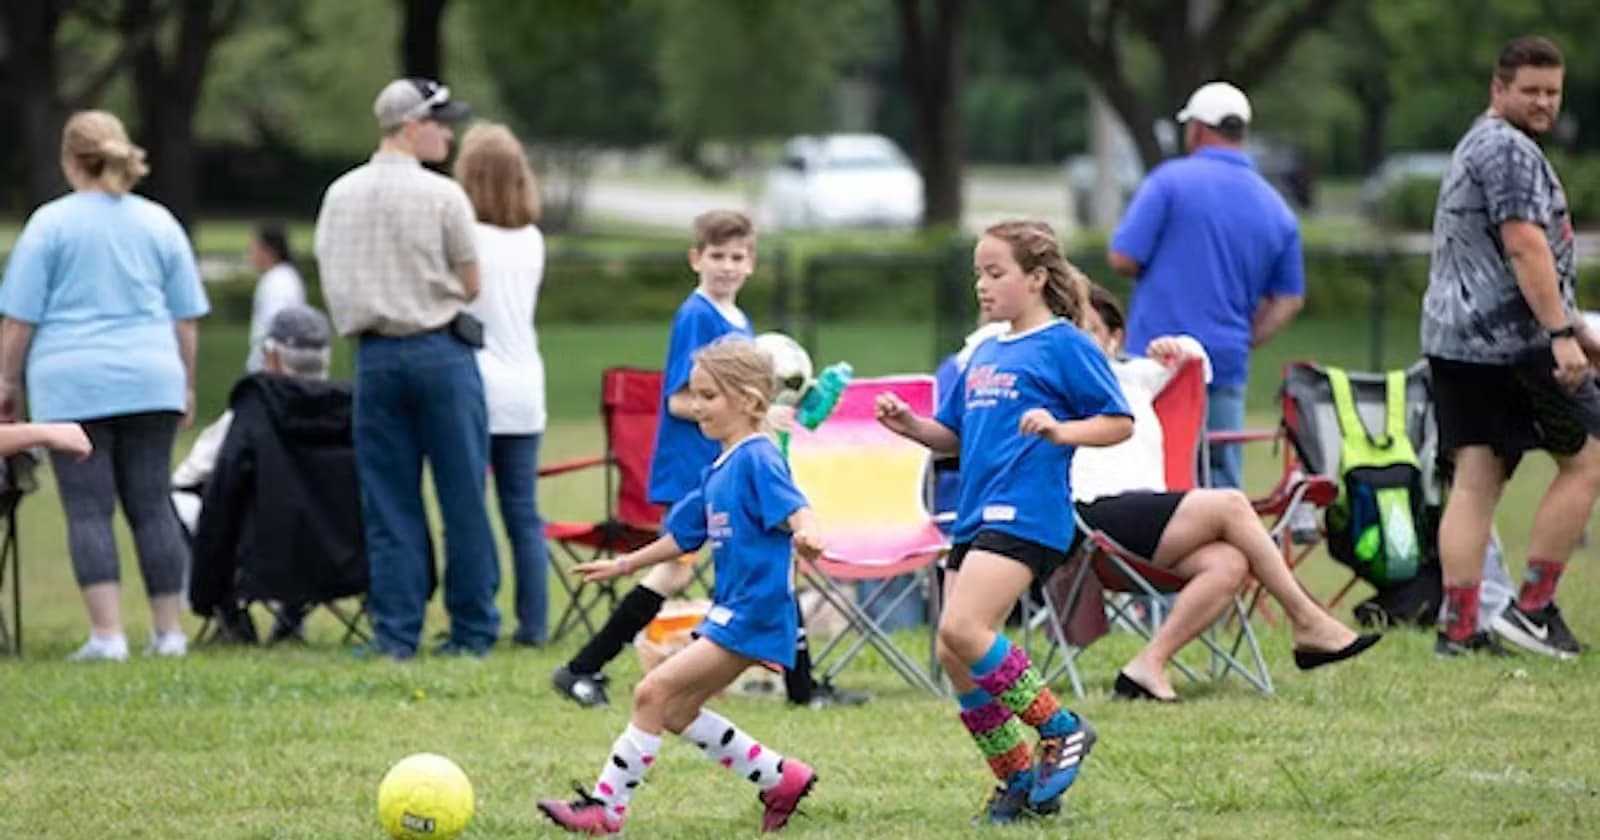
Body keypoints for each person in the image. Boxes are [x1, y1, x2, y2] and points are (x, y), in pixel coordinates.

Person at [876, 220, 1126, 823]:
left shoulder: (1066, 344)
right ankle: (1016, 778)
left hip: (1030, 511)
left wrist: (1062, 430)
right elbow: (956, 437)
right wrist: (910, 426)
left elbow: (1118, 421)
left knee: (965, 627)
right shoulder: (984, 351)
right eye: (978, 275)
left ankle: (1061, 729)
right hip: (976, 514)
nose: (983, 287)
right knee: (954, 651)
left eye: (996, 273)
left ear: (1037, 278)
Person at [537, 337, 821, 835]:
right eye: (695, 394)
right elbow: (682, 536)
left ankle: (606, 810)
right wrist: (624, 566)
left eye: (709, 396)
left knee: (652, 693)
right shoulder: (719, 468)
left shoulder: (758, 458)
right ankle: (782, 778)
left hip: (755, 613)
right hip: (732, 610)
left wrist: (807, 529)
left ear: (749, 401)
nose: (695, 406)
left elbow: (797, 505)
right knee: (678, 710)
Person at [1077, 286, 1380, 701]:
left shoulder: (1134, 378)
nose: (1082, 341)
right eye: (1072, 331)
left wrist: (1176, 347)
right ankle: (1307, 619)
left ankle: (1147, 665)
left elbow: (1197, 365)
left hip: (1149, 521)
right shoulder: (1060, 383)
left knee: (1229, 561)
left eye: (1091, 331)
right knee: (1232, 503)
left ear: (1114, 339)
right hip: (1092, 517)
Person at [0, 109, 208, 662]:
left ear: (70, 161)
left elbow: (20, 318)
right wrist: (186, 384)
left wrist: (6, 381)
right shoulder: (159, 222)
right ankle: (169, 634)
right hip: (152, 375)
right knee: (152, 503)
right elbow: (185, 319)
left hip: (73, 381)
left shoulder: (49, 224)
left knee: (89, 509)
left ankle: (108, 635)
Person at [1422, 36, 1600, 659]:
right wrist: (1560, 335)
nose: (1544, 103)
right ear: (1499, 89)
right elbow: (1525, 246)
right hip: (1510, 343)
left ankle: (1460, 626)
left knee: (1476, 479)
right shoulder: (1510, 151)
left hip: (1455, 341)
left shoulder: (1480, 142)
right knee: (1590, 458)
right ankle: (1532, 609)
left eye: (1553, 92)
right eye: (1531, 91)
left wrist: (1574, 328)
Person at [314, 78, 499, 660]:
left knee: (389, 502)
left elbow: (330, 275)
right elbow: (471, 283)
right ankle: (471, 630)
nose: (449, 132)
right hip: (441, 354)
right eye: (441, 122)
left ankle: (395, 632)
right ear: (412, 125)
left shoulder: (339, 194)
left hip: (375, 357)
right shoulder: (442, 196)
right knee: (462, 495)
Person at [1108, 81, 1304, 489]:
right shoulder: (1275, 205)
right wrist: (1245, 337)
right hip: (1226, 364)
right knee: (1219, 480)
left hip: (1154, 362)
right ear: (1242, 132)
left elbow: (1123, 257)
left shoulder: (1169, 182)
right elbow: (1289, 298)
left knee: (1150, 474)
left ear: (1196, 130)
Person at [174, 305, 338, 644]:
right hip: (334, 545)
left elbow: (189, 474)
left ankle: (229, 613)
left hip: (256, 547)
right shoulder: (345, 408)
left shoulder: (253, 410)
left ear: (272, 357)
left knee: (176, 502)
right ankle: (292, 618)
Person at [453, 123, 553, 648]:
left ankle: (479, 612)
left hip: (476, 385)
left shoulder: (468, 239)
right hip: (526, 384)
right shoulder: (532, 239)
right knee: (523, 512)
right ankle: (534, 624)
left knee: (470, 505)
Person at [244, 222, 306, 373]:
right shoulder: (288, 276)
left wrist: (271, 374)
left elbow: (274, 330)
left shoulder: (276, 283)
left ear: (268, 251)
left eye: (252, 248)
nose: (248, 254)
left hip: (269, 372)